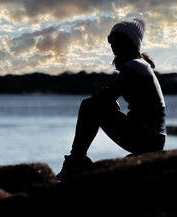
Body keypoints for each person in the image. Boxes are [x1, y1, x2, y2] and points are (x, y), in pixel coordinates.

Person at [56, 18, 166, 180]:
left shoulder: (134, 66)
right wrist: (107, 100)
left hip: (148, 139)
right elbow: (109, 96)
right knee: (92, 105)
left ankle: (76, 160)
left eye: (117, 40)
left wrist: (105, 99)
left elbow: (107, 96)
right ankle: (77, 159)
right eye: (110, 40)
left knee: (89, 106)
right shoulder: (139, 65)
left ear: (129, 43)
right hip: (151, 139)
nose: (112, 44)